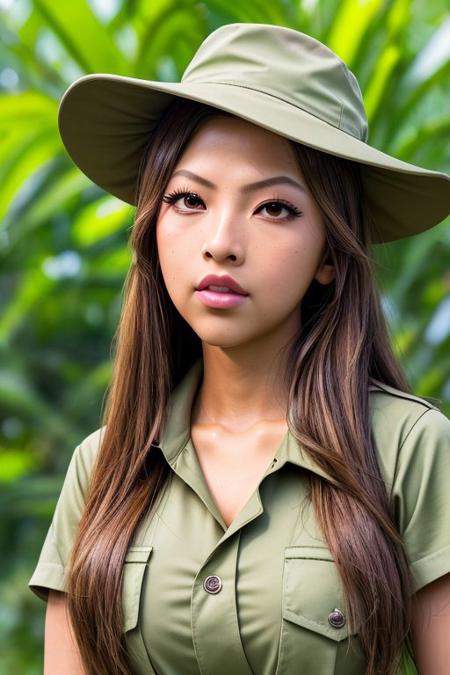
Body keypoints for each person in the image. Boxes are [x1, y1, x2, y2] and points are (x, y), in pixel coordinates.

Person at [28, 22, 450, 675]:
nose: (221, 241)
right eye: (189, 198)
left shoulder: (409, 451)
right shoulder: (103, 467)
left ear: (330, 256)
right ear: (154, 224)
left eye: (273, 208)